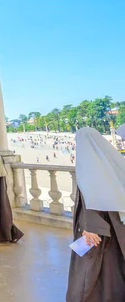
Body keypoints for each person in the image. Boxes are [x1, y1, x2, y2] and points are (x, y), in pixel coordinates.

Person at [66, 128, 125, 302]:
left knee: (91, 267)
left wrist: (90, 226)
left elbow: (92, 196)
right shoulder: (107, 160)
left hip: (97, 226)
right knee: (112, 265)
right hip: (113, 222)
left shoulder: (89, 163)